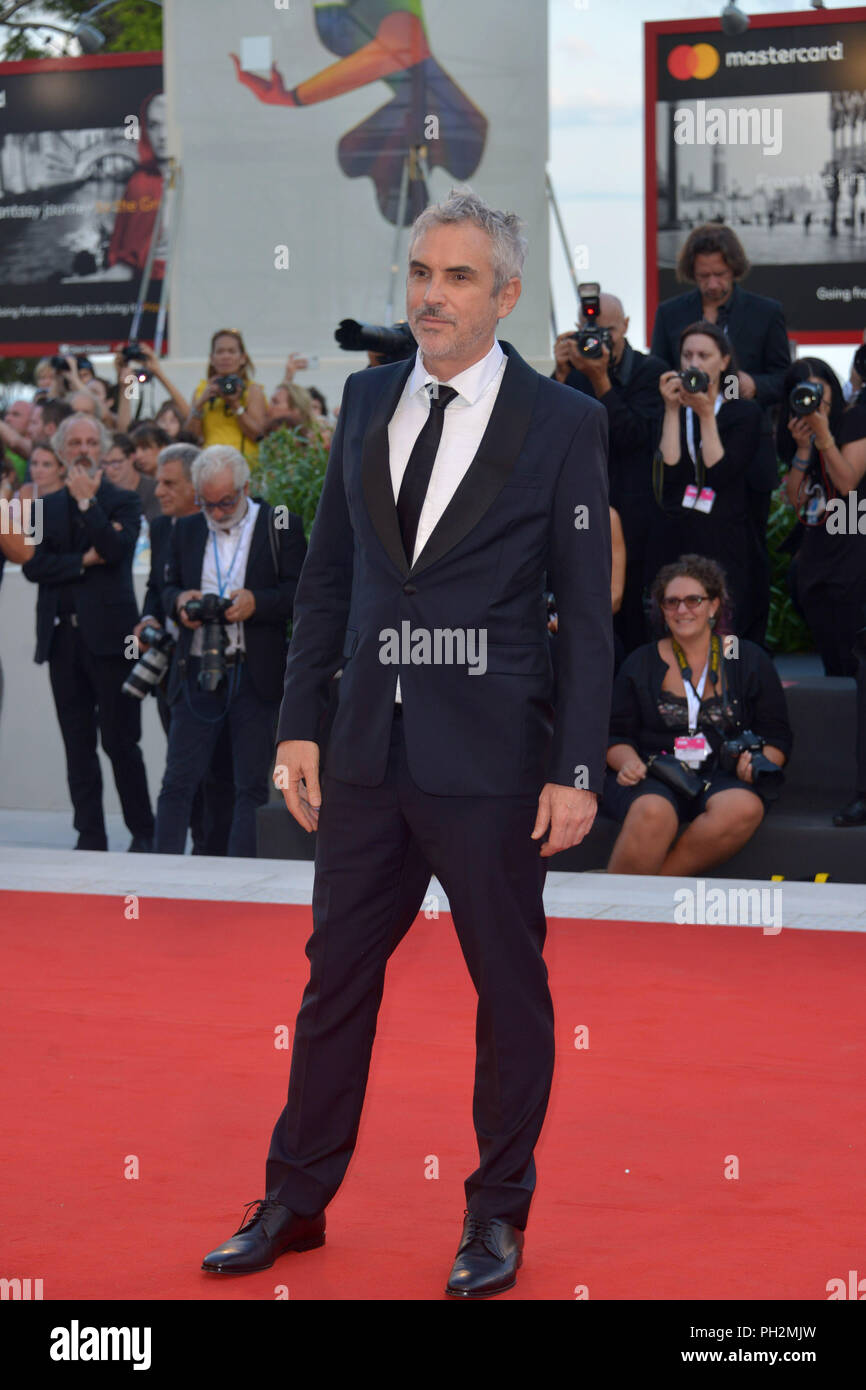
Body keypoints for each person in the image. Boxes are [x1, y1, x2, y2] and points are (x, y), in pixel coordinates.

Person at [200, 190, 613, 1298]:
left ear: (505, 295)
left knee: (506, 990)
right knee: (333, 982)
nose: (431, 293)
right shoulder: (367, 394)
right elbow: (328, 578)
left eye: (458, 276)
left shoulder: (564, 424)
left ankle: (493, 1215)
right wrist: (296, 725)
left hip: (491, 763)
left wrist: (575, 767)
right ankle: (295, 1200)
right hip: (364, 755)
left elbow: (585, 608)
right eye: (421, 272)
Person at [154, 445, 306, 857]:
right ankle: (157, 874)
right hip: (197, 670)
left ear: (246, 488)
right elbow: (162, 589)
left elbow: (303, 595)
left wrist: (258, 602)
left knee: (250, 786)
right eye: (208, 503)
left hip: (254, 672)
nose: (218, 513)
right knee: (178, 781)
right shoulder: (185, 528)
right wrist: (178, 601)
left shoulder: (280, 525)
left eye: (226, 502)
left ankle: (241, 877)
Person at [603, 556, 792, 874]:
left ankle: (654, 889)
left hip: (723, 773)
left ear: (714, 605)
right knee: (653, 811)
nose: (682, 610)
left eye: (693, 600)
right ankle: (618, 907)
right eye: (672, 602)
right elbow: (614, 734)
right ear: (662, 610)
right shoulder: (641, 662)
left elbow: (777, 734)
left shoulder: (743, 656)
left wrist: (758, 764)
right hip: (654, 770)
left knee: (743, 807)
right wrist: (628, 763)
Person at [20, 413, 155, 852]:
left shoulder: (124, 501)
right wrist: (83, 561)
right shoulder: (41, 508)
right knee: (77, 745)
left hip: (113, 640)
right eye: (74, 442)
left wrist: (87, 505)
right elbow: (34, 567)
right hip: (62, 641)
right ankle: (90, 836)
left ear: (101, 449)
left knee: (120, 742)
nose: (82, 449)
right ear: (60, 452)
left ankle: (143, 832)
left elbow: (116, 551)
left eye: (90, 442)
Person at [651, 224, 791, 643]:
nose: (712, 284)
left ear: (735, 271)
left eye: (720, 275)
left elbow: (783, 376)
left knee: (747, 554)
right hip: (687, 444)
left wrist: (750, 385)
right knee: (686, 545)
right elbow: (660, 366)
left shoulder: (765, 312)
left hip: (745, 450)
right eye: (704, 276)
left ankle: (748, 649)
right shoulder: (672, 313)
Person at [133, 442, 235, 856]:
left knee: (219, 774)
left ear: (197, 488)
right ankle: (183, 861)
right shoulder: (162, 528)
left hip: (224, 670)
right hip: (172, 672)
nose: (158, 492)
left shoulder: (228, 532)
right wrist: (149, 619)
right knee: (180, 774)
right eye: (158, 482)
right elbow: (156, 589)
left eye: (168, 483)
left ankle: (214, 855)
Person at [553, 292, 666, 652]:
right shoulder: (574, 372)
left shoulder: (651, 373)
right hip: (583, 514)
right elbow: (551, 434)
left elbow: (633, 438)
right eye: (590, 331)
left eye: (608, 331)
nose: (598, 341)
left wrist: (601, 379)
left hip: (637, 519)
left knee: (631, 620)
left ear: (627, 327)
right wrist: (560, 374)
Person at [650, 320, 762, 636]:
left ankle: (725, 682)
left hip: (724, 535)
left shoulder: (743, 412)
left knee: (724, 623)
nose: (694, 363)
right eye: (687, 355)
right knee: (676, 620)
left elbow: (722, 473)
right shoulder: (670, 406)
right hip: (678, 532)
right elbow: (668, 474)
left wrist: (706, 415)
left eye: (703, 355)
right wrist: (673, 412)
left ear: (724, 361)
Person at [777, 358, 866, 675]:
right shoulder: (796, 430)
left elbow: (846, 483)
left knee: (856, 654)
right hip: (818, 551)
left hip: (855, 540)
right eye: (804, 392)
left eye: (819, 390)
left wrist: (823, 435)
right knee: (833, 659)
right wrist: (803, 448)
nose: (813, 399)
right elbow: (797, 502)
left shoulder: (855, 419)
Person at [184, 330, 267, 466]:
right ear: (212, 358)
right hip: (210, 464)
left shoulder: (253, 390)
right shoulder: (202, 390)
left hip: (244, 464)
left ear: (242, 358)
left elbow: (257, 435)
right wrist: (200, 404)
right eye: (220, 352)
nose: (225, 357)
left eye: (231, 351)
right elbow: (191, 438)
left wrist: (236, 406)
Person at [103, 432, 161, 523]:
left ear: (132, 457)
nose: (109, 470)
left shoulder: (154, 489)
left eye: (116, 463)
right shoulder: (100, 489)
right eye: (105, 463)